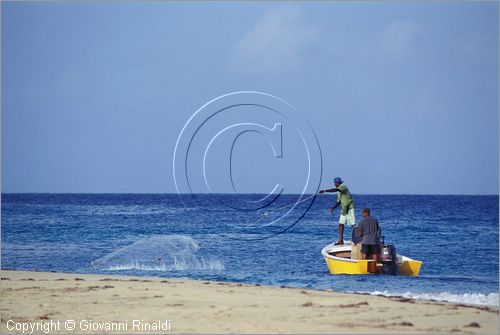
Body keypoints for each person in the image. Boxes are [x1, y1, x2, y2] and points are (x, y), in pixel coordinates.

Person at [318, 177, 355, 245]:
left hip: (349, 207)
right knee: (341, 224)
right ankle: (341, 240)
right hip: (344, 209)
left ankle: (358, 239)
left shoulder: (343, 187)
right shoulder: (339, 192)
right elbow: (338, 202)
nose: (336, 184)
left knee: (352, 224)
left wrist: (324, 191)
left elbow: (335, 189)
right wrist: (333, 208)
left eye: (336, 183)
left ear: (338, 183)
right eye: (336, 183)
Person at [357, 208, 381, 273]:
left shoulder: (362, 221)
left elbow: (359, 234)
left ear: (365, 213)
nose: (362, 214)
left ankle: (364, 269)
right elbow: (378, 229)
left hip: (366, 241)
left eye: (362, 213)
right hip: (374, 240)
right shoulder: (375, 220)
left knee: (364, 253)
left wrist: (361, 235)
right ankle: (374, 268)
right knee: (375, 254)